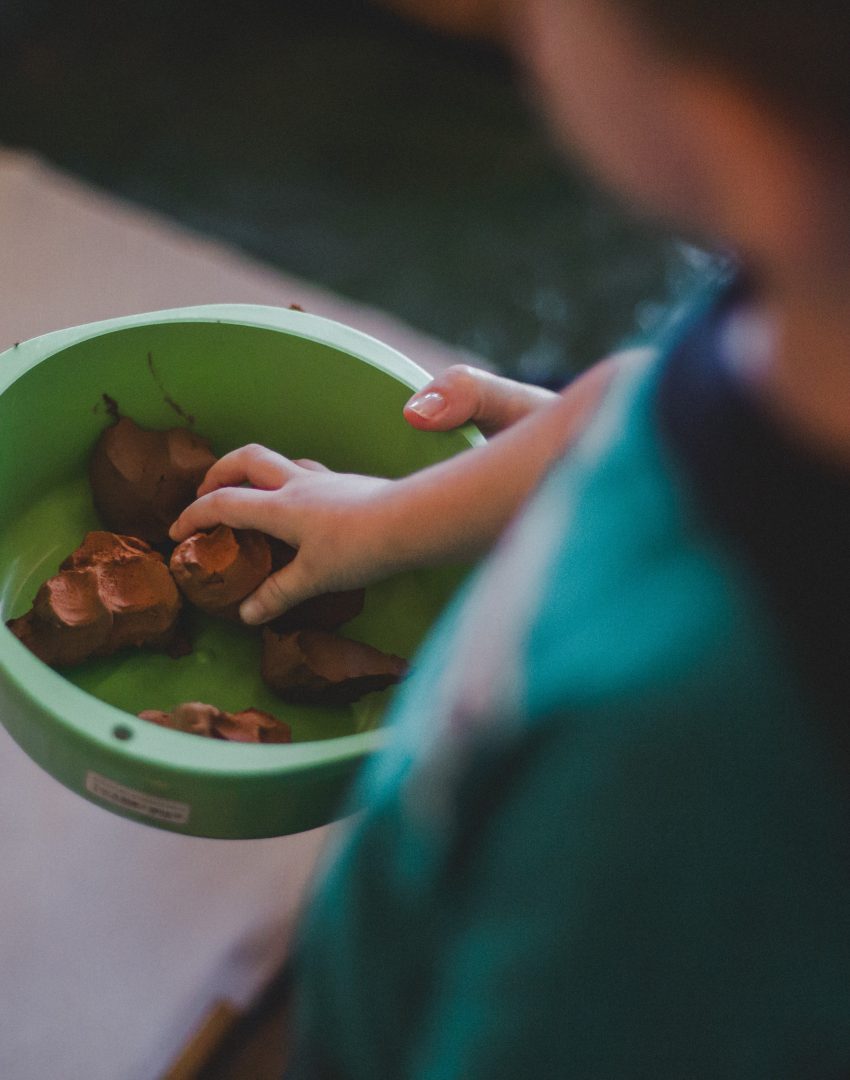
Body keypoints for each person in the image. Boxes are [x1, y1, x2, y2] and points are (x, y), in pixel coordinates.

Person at [170, 0, 850, 1074]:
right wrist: (382, 520)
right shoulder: (802, 297)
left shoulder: (672, 788)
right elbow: (641, 398)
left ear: (718, 120)